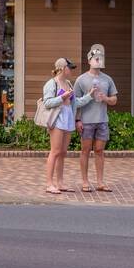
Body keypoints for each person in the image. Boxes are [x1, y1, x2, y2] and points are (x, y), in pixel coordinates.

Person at [74, 43, 118, 192]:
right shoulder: (81, 80)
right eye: (95, 58)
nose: (98, 60)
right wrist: (77, 120)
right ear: (89, 60)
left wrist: (105, 98)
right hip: (86, 121)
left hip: (102, 120)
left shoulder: (108, 79)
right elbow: (76, 102)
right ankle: (85, 182)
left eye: (100, 58)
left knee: (99, 151)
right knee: (85, 150)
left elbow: (114, 100)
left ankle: (100, 182)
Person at [40, 58, 83, 194]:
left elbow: (75, 102)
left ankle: (60, 183)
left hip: (68, 117)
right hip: (57, 118)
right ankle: (49, 184)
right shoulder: (51, 83)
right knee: (55, 151)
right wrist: (62, 97)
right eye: (69, 68)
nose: (71, 70)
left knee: (63, 152)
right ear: (63, 68)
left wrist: (89, 96)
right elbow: (46, 103)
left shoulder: (69, 83)